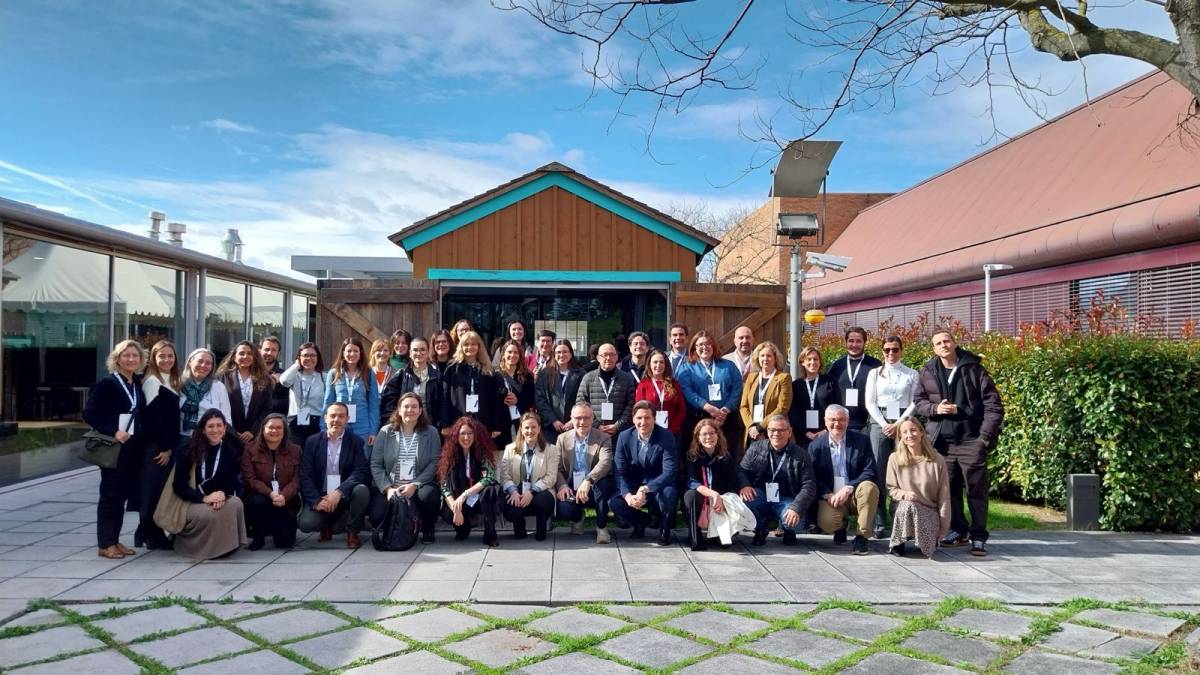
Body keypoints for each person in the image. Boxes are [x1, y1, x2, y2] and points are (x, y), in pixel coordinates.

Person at [912, 329, 1004, 557]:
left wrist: (983, 438)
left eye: (946, 341)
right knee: (949, 491)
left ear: (954, 343)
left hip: (971, 440)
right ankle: (958, 531)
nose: (943, 345)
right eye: (938, 343)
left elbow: (994, 406)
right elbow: (919, 402)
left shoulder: (974, 369)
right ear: (933, 348)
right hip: (942, 442)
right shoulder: (928, 370)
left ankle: (979, 537)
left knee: (976, 491)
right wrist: (936, 409)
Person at [83, 339, 146, 560]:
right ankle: (105, 543)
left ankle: (115, 540)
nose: (131, 359)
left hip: (132, 448)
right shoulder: (108, 384)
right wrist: (113, 431)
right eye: (126, 355)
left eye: (135, 356)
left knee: (120, 497)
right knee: (109, 496)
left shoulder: (136, 383)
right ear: (117, 359)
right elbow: (89, 414)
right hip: (114, 447)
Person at [171, 409, 248, 560]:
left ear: (225, 428)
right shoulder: (188, 450)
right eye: (210, 426)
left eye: (219, 425)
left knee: (236, 503)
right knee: (211, 513)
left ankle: (227, 547)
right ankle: (199, 548)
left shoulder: (230, 449)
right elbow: (179, 486)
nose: (215, 430)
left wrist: (221, 496)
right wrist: (204, 498)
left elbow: (234, 481)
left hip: (217, 498)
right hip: (192, 501)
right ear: (203, 430)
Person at [864, 335, 920, 539]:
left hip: (903, 423)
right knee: (878, 469)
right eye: (886, 350)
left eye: (895, 349)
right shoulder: (874, 374)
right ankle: (879, 521)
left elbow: (915, 401)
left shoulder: (912, 374)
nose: (890, 353)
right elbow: (870, 402)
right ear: (882, 351)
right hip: (880, 423)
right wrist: (884, 424)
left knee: (903, 470)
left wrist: (899, 424)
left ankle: (901, 518)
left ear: (901, 351)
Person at [370, 392, 443, 544]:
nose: (410, 410)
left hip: (418, 484)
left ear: (421, 411)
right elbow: (375, 464)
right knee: (376, 516)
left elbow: (435, 462)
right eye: (406, 406)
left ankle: (428, 529)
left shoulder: (431, 432)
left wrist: (414, 485)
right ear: (399, 410)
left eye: (414, 407)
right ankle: (394, 529)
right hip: (392, 484)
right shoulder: (386, 432)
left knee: (430, 496)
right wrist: (387, 488)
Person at [808, 405, 879, 555]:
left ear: (848, 421)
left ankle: (862, 536)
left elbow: (870, 470)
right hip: (830, 496)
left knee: (869, 488)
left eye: (841, 420)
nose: (837, 424)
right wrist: (827, 494)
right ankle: (840, 526)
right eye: (832, 420)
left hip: (854, 493)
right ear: (825, 422)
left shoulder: (862, 441)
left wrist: (848, 487)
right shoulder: (816, 446)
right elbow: (812, 477)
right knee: (827, 524)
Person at [299, 402, 371, 548]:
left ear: (347, 419)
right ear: (325, 418)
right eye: (332, 416)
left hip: (344, 494)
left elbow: (360, 471)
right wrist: (316, 501)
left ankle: (352, 532)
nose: (336, 419)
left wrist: (339, 491)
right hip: (321, 494)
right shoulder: (312, 442)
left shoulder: (355, 441)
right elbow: (306, 474)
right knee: (306, 524)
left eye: (341, 416)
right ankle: (326, 525)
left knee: (362, 490)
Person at [737, 415, 817, 546]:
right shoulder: (755, 448)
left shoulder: (801, 454)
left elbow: (809, 485)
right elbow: (741, 471)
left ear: (789, 432)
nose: (776, 434)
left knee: (796, 523)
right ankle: (760, 528)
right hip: (760, 495)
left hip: (786, 498)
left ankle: (788, 530)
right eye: (772, 430)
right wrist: (745, 485)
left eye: (781, 430)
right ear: (767, 431)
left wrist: (796, 507)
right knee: (743, 501)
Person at [609, 402, 679, 546]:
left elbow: (669, 471)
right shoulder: (624, 436)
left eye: (647, 418)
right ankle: (641, 522)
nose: (643, 422)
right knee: (615, 503)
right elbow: (619, 470)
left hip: (659, 482)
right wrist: (628, 495)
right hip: (634, 482)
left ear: (654, 419)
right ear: (633, 419)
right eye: (639, 418)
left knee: (669, 494)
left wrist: (646, 488)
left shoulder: (666, 436)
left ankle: (664, 530)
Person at [138, 339, 180, 550]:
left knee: (161, 491)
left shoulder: (171, 380)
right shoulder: (152, 381)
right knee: (152, 492)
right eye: (161, 356)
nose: (166, 359)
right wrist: (164, 447)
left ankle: (147, 533)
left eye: (170, 356)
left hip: (168, 446)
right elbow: (152, 417)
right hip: (157, 448)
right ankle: (151, 535)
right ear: (153, 358)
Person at [888, 418, 951, 558]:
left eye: (913, 430)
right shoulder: (894, 458)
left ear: (922, 432)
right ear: (900, 437)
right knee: (907, 505)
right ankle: (898, 542)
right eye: (905, 432)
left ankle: (927, 540)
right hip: (903, 509)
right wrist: (904, 494)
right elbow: (891, 489)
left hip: (929, 510)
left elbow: (944, 496)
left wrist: (943, 528)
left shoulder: (937, 460)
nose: (910, 435)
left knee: (914, 509)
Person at [553, 403, 615, 544]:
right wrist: (562, 485)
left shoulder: (603, 437)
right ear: (571, 419)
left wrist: (588, 480)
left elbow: (605, 463)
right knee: (564, 507)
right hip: (572, 484)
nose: (582, 422)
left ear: (593, 418)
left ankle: (601, 526)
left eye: (586, 418)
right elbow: (555, 467)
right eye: (578, 418)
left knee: (603, 485)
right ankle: (577, 518)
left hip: (595, 484)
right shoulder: (562, 439)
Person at [437, 416, 501, 546]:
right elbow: (444, 484)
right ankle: (463, 526)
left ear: (475, 435)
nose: (466, 437)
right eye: (463, 433)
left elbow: (488, 477)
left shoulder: (482, 452)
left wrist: (465, 495)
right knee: (447, 514)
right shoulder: (450, 454)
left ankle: (490, 533)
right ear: (456, 435)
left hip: (477, 497)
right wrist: (455, 508)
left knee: (490, 491)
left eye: (470, 433)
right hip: (457, 497)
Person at [241, 413, 300, 551]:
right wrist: (270, 494)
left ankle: (273, 527)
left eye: (279, 428)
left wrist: (284, 495)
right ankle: (258, 536)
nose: (274, 431)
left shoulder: (295, 450)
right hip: (261, 498)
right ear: (263, 429)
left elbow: (297, 480)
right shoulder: (250, 449)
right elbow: (250, 479)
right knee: (257, 501)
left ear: (285, 430)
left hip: (285, 501)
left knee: (285, 542)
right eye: (271, 427)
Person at [676, 330, 742, 451]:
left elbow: (737, 388)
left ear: (713, 346)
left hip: (726, 418)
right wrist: (707, 407)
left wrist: (725, 409)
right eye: (700, 344)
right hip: (698, 418)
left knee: (726, 455)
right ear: (694, 348)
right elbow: (686, 391)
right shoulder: (687, 368)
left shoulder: (728, 366)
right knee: (699, 455)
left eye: (708, 344)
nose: (704, 347)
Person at [498, 413, 559, 540]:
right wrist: (513, 492)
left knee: (543, 500)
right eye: (526, 428)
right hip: (518, 491)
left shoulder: (551, 450)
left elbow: (551, 477)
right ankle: (519, 527)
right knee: (511, 506)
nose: (530, 431)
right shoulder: (510, 449)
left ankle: (541, 528)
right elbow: (505, 475)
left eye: (533, 427)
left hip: (541, 490)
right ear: (521, 429)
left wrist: (532, 491)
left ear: (539, 428)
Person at [682, 419, 740, 550]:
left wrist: (723, 499)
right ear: (698, 437)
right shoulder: (691, 456)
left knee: (724, 544)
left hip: (720, 501)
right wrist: (714, 494)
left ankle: (720, 532)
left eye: (712, 433)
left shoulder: (726, 457)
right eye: (704, 434)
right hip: (702, 497)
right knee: (690, 495)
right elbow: (692, 482)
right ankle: (695, 537)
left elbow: (732, 484)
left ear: (718, 435)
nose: (708, 437)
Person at [441, 331, 502, 439]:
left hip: (482, 420)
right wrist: (445, 424)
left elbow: (494, 399)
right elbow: (445, 397)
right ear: (461, 347)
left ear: (479, 347)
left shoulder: (487, 369)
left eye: (474, 344)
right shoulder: (452, 368)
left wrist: (496, 425)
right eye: (466, 344)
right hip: (458, 419)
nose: (470, 347)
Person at [322, 337, 379, 447]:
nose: (352, 354)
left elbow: (374, 404)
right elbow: (328, 402)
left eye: (355, 351)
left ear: (361, 353)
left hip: (362, 425)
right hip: (338, 423)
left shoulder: (368, 373)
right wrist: (324, 427)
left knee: (361, 459)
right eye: (349, 351)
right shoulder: (334, 373)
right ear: (343, 353)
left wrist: (373, 431)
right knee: (339, 458)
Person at [826, 327, 883, 433]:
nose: (854, 345)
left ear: (865, 343)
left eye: (859, 341)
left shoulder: (875, 365)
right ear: (846, 342)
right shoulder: (837, 365)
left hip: (868, 424)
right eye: (851, 341)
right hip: (840, 424)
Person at [218, 341, 273, 445]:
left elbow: (267, 408)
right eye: (241, 353)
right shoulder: (223, 377)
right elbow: (218, 406)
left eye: (249, 353)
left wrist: (253, 431)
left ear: (255, 357)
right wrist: (231, 430)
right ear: (234, 357)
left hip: (254, 436)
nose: (245, 356)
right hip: (227, 434)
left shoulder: (264, 379)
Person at [576, 343, 637, 437]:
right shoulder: (588, 378)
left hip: (619, 434)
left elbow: (631, 404)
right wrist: (597, 425)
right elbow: (581, 402)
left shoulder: (626, 378)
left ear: (617, 357)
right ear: (598, 357)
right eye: (604, 355)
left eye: (612, 355)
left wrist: (617, 425)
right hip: (594, 433)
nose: (608, 358)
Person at [739, 341, 792, 450]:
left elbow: (782, 408)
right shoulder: (751, 378)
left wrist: (761, 427)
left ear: (775, 358)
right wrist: (752, 427)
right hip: (752, 433)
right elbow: (743, 406)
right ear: (757, 358)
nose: (765, 359)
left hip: (773, 432)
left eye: (769, 356)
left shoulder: (783, 378)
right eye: (762, 355)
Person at [380, 336, 443, 425]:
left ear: (428, 352)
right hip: (405, 426)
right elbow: (388, 402)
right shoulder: (401, 375)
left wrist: (441, 425)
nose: (419, 353)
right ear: (410, 353)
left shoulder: (437, 376)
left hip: (430, 426)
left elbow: (443, 404)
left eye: (422, 350)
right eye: (415, 350)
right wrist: (393, 422)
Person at [534, 339, 584, 440]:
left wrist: (573, 420)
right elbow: (540, 400)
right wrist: (553, 420)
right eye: (558, 352)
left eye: (565, 352)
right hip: (550, 427)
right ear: (553, 354)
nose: (562, 355)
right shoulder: (545, 374)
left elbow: (583, 399)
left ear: (570, 354)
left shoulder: (581, 374)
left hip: (574, 427)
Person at [789, 347, 837, 449]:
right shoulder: (796, 385)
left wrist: (826, 430)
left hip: (827, 435)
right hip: (803, 437)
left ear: (820, 362)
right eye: (809, 359)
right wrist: (805, 432)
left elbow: (837, 407)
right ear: (802, 362)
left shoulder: (830, 382)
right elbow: (793, 413)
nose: (812, 362)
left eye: (815, 359)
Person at [180, 348, 232, 441]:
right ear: (190, 362)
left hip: (210, 439)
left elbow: (226, 417)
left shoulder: (218, 387)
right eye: (200, 361)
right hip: (182, 438)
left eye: (208, 363)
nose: (203, 365)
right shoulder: (178, 384)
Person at [279, 342, 325, 445]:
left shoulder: (324, 377)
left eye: (312, 355)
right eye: (305, 355)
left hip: (317, 421)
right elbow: (284, 381)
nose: (309, 358)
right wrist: (296, 365)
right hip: (296, 421)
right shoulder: (295, 376)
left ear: (318, 358)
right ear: (299, 357)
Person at [634, 350, 686, 441]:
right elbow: (639, 411)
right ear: (649, 364)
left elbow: (681, 410)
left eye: (661, 362)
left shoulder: (674, 384)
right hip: (650, 433)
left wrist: (671, 430)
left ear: (666, 365)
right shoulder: (643, 384)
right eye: (655, 362)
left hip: (672, 433)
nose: (658, 365)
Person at [496, 340, 536, 449]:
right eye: (509, 352)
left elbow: (531, 400)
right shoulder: (495, 375)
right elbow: (489, 401)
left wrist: (517, 400)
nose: (512, 355)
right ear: (503, 354)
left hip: (521, 423)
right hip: (501, 425)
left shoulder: (526, 376)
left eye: (516, 352)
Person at [260, 336, 290, 417]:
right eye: (266, 349)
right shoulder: (251, 373)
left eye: (273, 350)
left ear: (278, 353)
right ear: (259, 350)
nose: (269, 353)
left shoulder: (284, 376)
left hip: (275, 424)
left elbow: (287, 404)